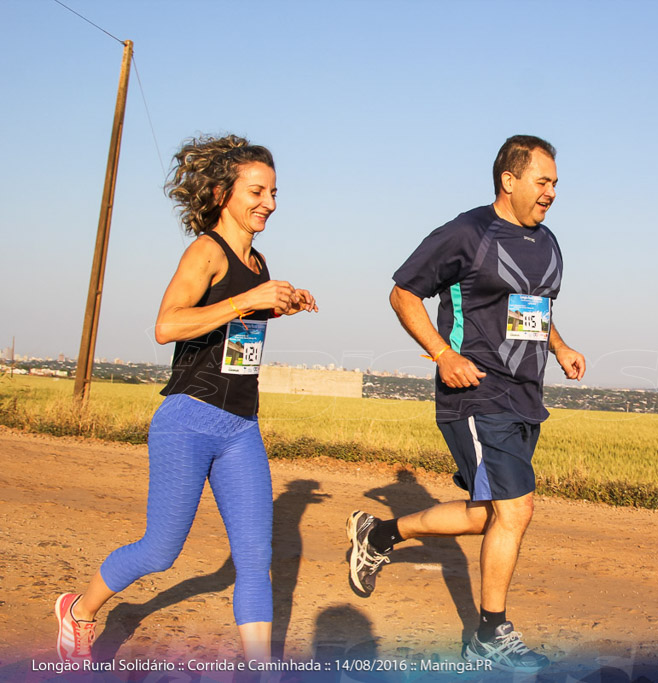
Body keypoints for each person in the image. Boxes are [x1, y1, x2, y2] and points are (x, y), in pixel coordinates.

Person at [54, 134, 317, 665]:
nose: (269, 202)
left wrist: (278, 304)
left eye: (274, 192)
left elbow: (232, 328)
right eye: (257, 190)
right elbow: (167, 324)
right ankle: (79, 610)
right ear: (223, 193)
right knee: (161, 549)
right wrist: (251, 298)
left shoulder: (259, 262)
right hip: (189, 418)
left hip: (242, 425)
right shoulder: (205, 250)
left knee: (254, 560)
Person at [347, 135, 585, 673]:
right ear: (510, 179)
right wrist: (442, 353)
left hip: (526, 397)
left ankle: (379, 534)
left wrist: (562, 346)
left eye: (555, 184)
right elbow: (403, 292)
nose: (551, 193)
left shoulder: (548, 243)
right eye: (542, 181)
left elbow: (534, 308)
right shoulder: (467, 232)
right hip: (475, 392)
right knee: (516, 509)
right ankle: (488, 634)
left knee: (492, 517)